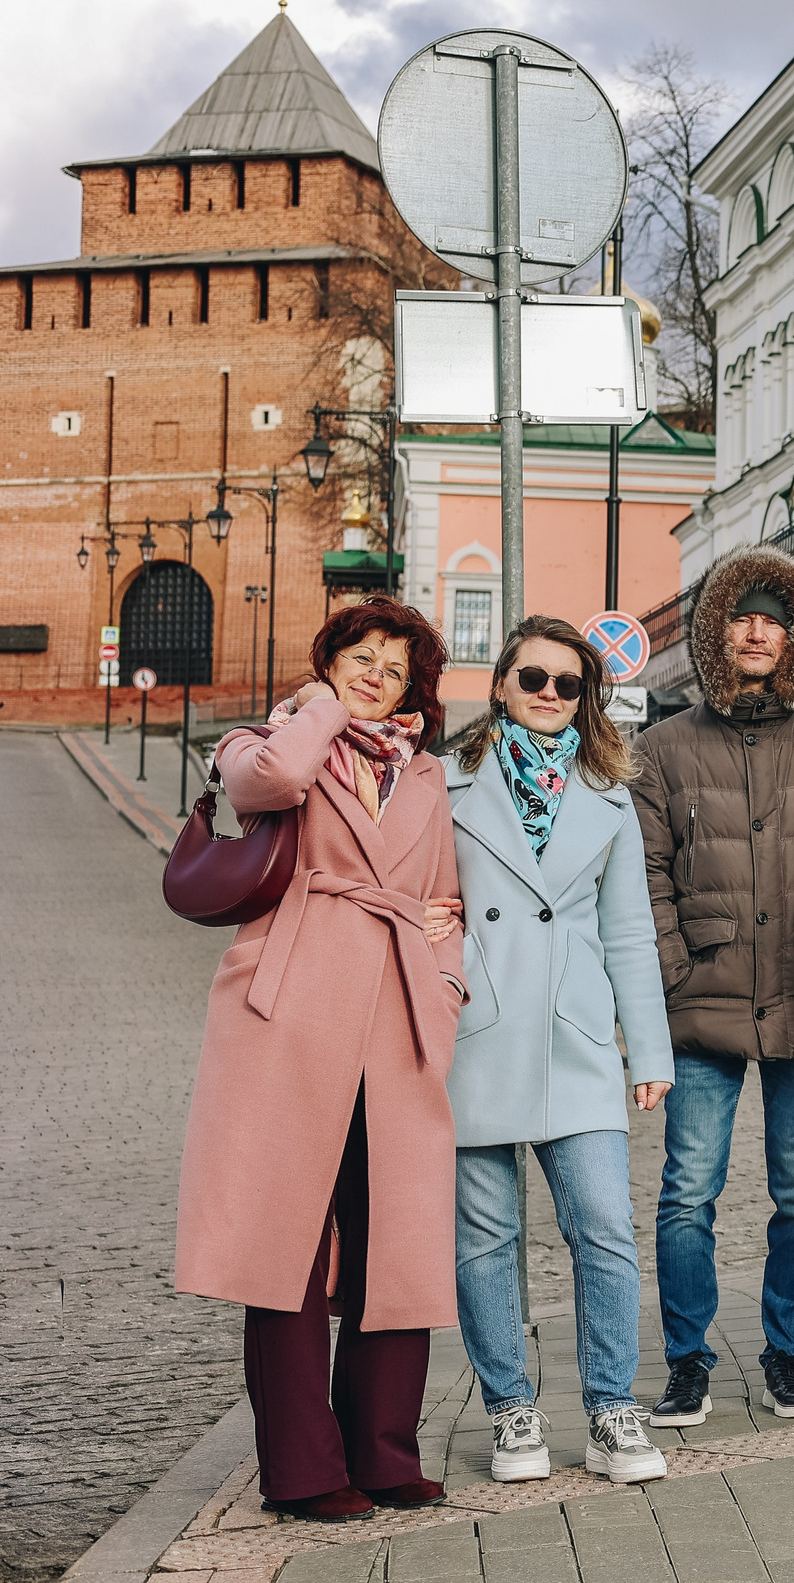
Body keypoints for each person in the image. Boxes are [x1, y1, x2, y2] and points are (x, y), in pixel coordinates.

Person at [176, 597, 465, 1523]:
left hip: (399, 1023)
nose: (377, 672)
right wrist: (323, 711)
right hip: (289, 1020)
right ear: (330, 659)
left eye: (395, 663)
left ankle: (384, 1451)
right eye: (360, 654)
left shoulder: (425, 775)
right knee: (285, 1243)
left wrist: (447, 982)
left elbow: (446, 900)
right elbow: (277, 779)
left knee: (398, 1240)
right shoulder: (263, 740)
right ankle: (302, 1470)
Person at [634, 545, 794, 1428]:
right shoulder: (664, 748)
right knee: (688, 1190)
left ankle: (788, 1355)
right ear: (717, 632)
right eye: (743, 615)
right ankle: (688, 1360)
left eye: (775, 616)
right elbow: (648, 874)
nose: (759, 629)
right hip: (704, 999)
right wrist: (676, 972)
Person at [442, 616, 676, 1486]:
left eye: (567, 684)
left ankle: (613, 1410)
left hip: (576, 1035)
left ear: (588, 697)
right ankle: (511, 1412)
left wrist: (648, 1050)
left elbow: (629, 932)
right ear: (500, 683)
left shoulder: (609, 792)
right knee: (485, 1238)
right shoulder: (446, 783)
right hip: (478, 1028)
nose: (548, 694)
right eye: (531, 678)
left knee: (607, 1230)